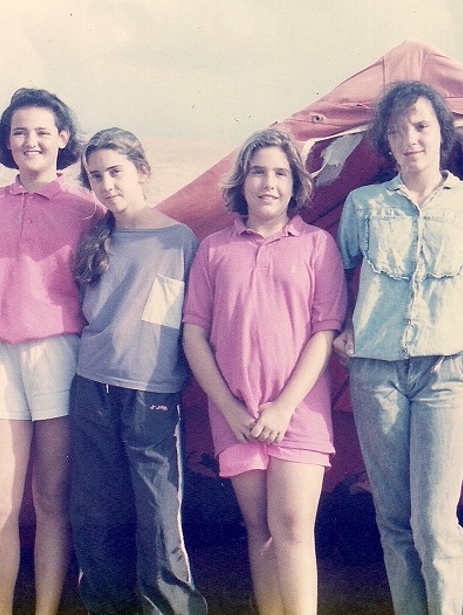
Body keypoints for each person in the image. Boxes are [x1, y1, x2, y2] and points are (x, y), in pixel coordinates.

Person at [333, 80, 463, 615]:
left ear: (441, 133)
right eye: (396, 131)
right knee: (393, 519)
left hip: (445, 373)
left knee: (436, 523)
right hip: (375, 373)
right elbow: (332, 273)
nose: (409, 139)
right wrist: (343, 325)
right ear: (385, 141)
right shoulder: (363, 205)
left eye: (420, 126)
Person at [0, 88, 103, 615]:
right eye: (19, 132)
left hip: (60, 358)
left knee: (52, 499)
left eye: (41, 131)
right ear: (6, 141)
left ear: (63, 138)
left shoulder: (88, 209)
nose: (30, 141)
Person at [182, 128, 346, 615]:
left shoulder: (317, 246)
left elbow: (325, 331)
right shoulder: (214, 249)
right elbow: (194, 334)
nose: (268, 183)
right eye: (258, 172)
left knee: (292, 527)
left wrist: (284, 406)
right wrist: (229, 408)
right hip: (236, 415)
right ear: (242, 180)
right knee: (261, 531)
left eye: (280, 173)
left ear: (295, 184)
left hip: (298, 412)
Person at [68, 128, 208, 615]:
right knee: (96, 512)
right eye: (95, 176)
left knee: (158, 515)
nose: (106, 184)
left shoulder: (178, 240)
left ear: (142, 171)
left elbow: (183, 322)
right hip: (91, 388)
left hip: (152, 395)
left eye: (116, 172)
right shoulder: (93, 238)